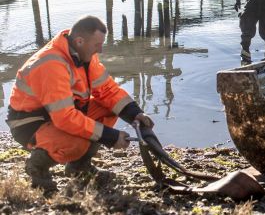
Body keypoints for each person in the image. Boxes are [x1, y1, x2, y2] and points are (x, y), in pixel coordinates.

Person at [5, 15, 154, 191]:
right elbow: (65, 118)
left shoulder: (83, 55)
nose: (100, 50)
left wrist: (134, 113)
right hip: (30, 125)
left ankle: (79, 167)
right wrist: (110, 136)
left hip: (58, 115)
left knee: (109, 110)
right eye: (97, 45)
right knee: (81, 140)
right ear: (80, 41)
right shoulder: (51, 64)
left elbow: (107, 90)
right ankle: (38, 167)